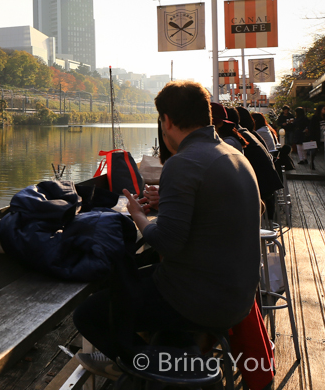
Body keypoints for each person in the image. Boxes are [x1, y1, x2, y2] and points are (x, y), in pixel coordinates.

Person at [72, 81, 261, 380]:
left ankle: (135, 366)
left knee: (89, 314)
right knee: (127, 283)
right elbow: (253, 208)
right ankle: (166, 355)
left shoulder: (183, 162)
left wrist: (138, 216)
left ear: (167, 120)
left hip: (201, 299)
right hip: (239, 294)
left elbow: (167, 243)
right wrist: (177, 202)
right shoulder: (234, 155)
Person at [306, 105, 325, 170]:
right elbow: (312, 128)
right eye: (324, 109)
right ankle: (312, 162)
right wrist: (311, 137)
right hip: (317, 136)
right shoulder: (315, 118)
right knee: (314, 151)